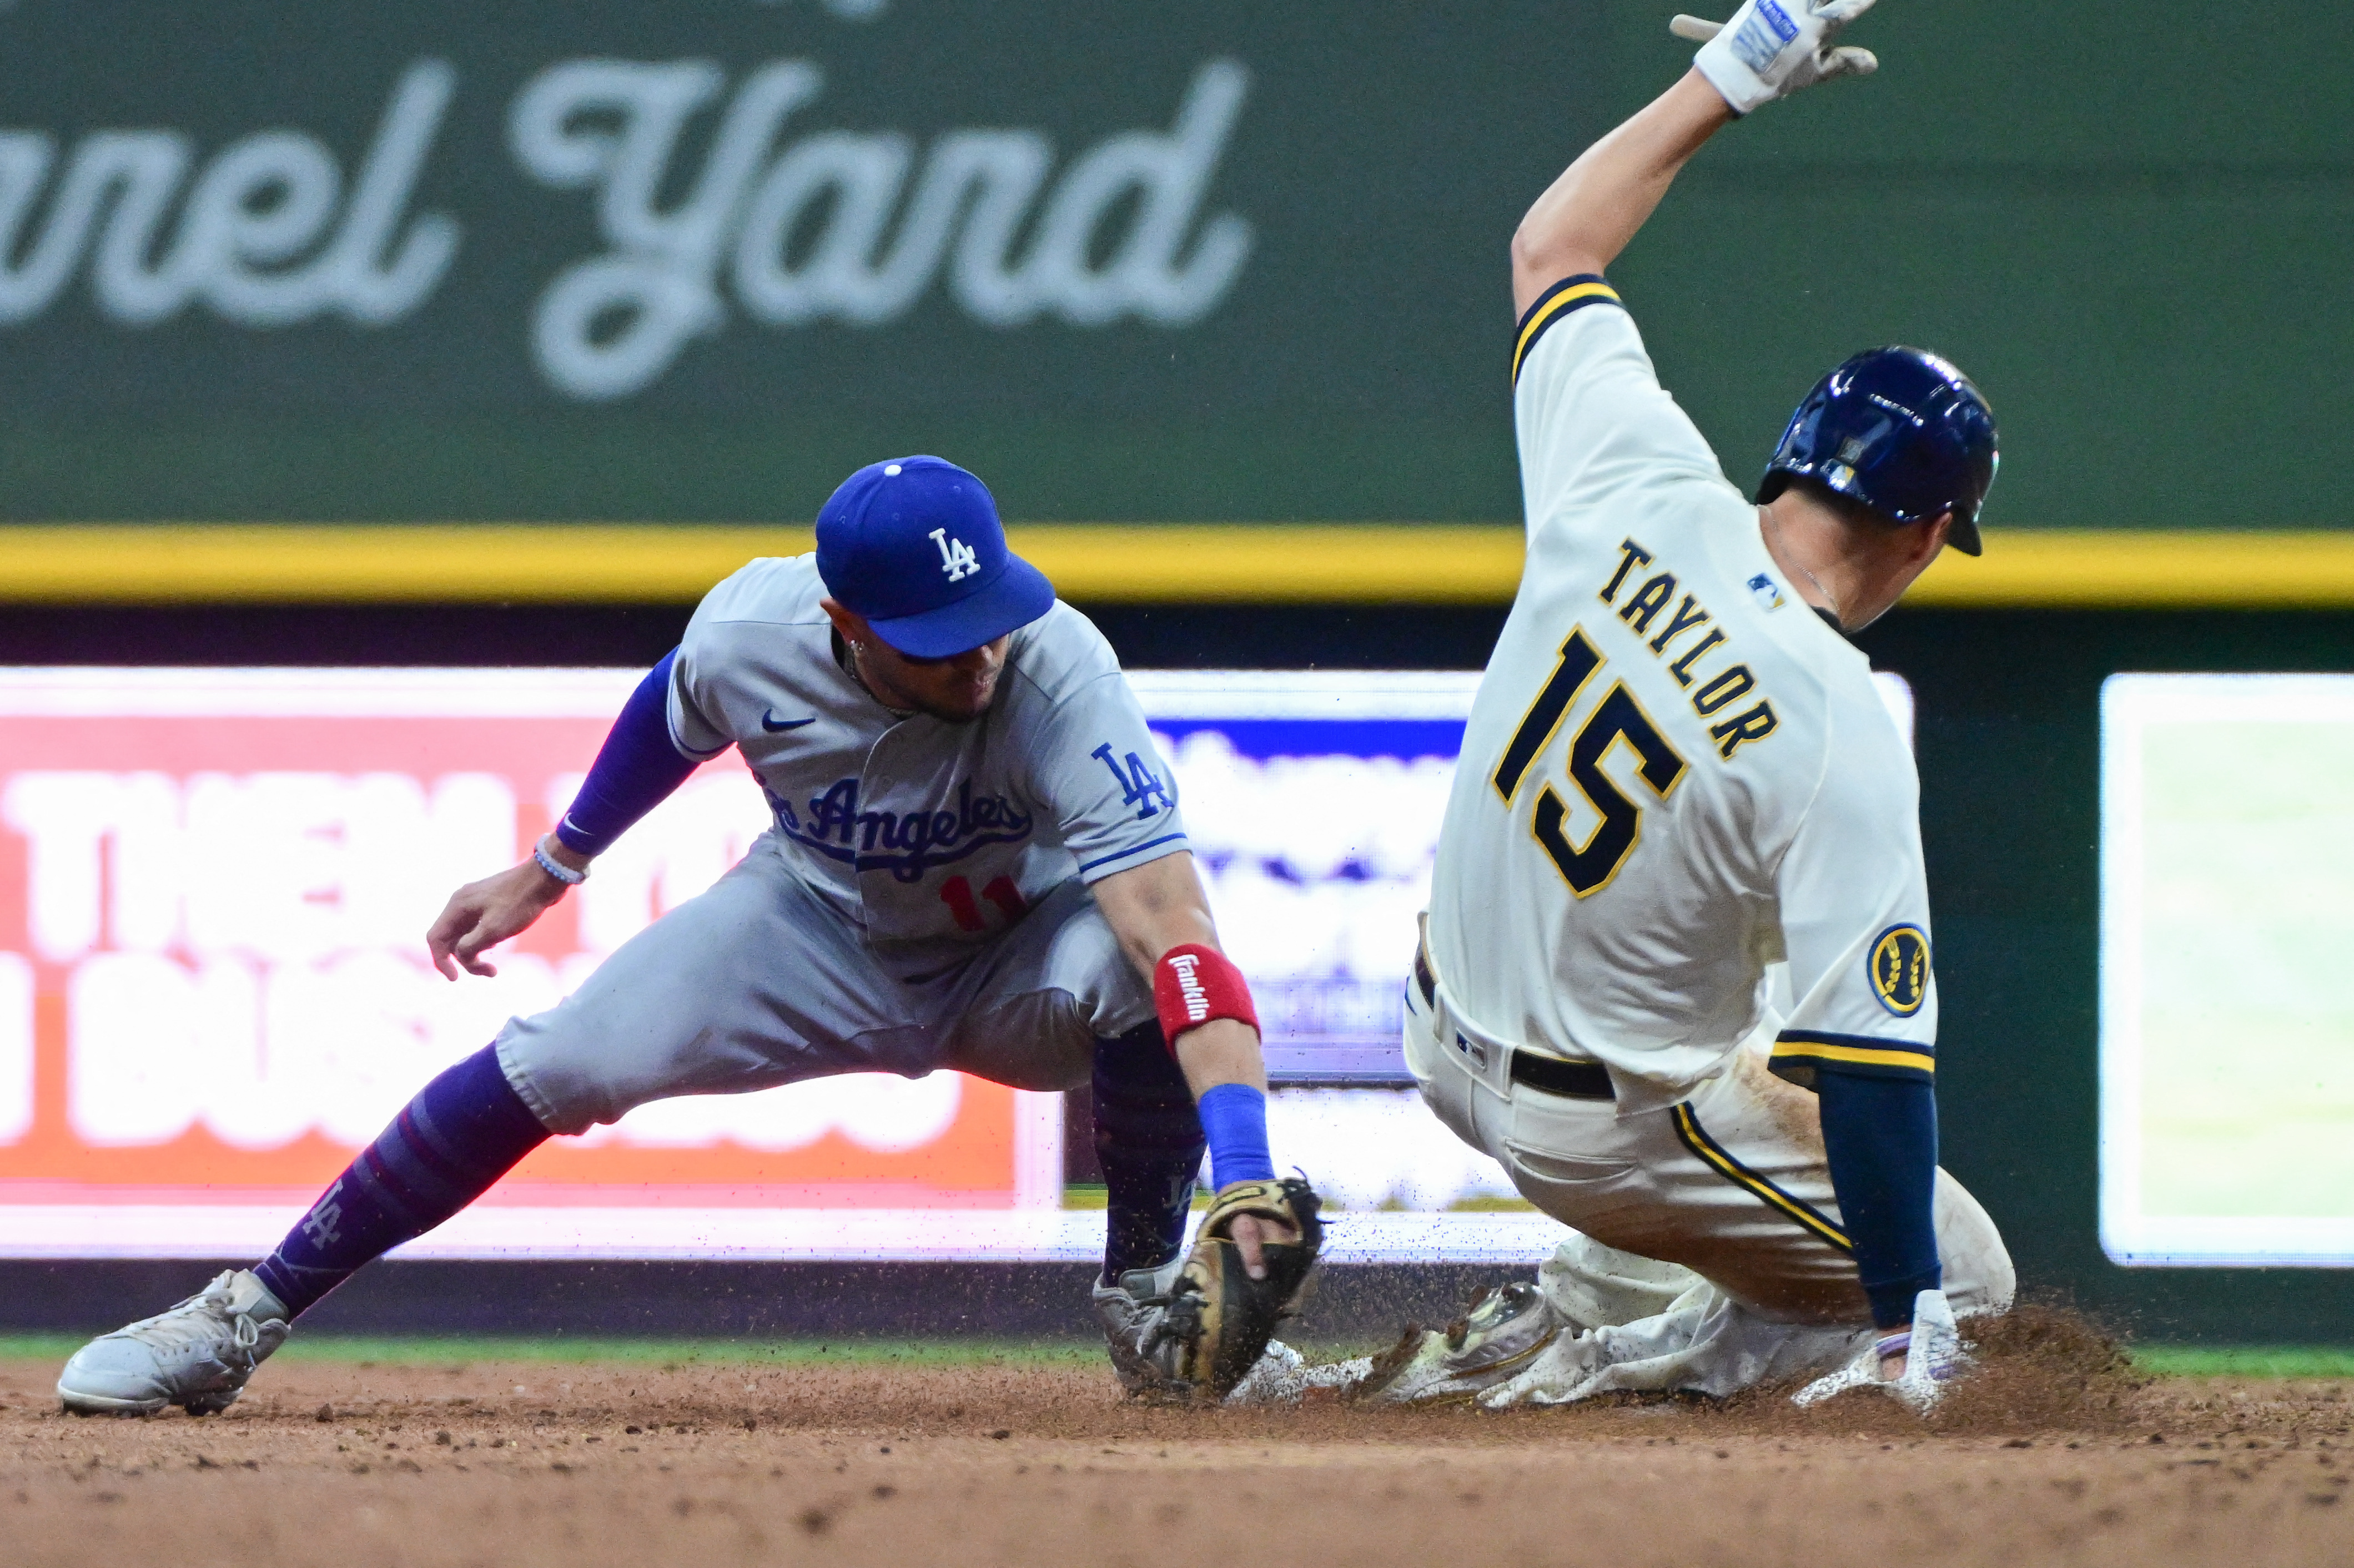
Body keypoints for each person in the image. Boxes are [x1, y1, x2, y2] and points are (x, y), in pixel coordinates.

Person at [56, 455, 1310, 1416]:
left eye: (988, 611)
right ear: (851, 622)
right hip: (814, 926)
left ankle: (1147, 1305)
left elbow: (1170, 929)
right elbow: (672, 707)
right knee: (557, 1061)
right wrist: (553, 867)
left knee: (1130, 974)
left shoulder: (1054, 672)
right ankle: (238, 1317)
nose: (978, 649)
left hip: (1018, 958)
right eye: (939, 638)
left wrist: (1242, 1153)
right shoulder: (749, 633)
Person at [1356, 0, 2014, 1410]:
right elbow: (1876, 1079)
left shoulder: (1635, 474)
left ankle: (1579, 1302)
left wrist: (1727, 77)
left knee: (1755, 969)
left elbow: (1553, 246)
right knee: (1973, 1277)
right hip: (1588, 1140)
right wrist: (1906, 1322)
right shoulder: (1839, 725)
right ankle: (1659, 1359)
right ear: (1921, 536)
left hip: (1429, 1037)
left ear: (1792, 458)